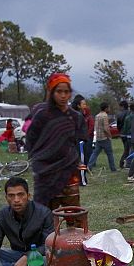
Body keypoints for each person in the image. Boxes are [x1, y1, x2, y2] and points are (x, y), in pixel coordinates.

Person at [26, 72, 86, 208]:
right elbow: (30, 140)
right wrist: (41, 160)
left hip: (68, 172)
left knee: (73, 213)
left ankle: (73, 228)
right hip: (46, 173)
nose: (63, 96)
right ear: (52, 92)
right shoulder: (42, 115)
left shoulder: (75, 117)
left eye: (66, 92)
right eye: (59, 91)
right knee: (44, 215)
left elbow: (76, 141)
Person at [88, 102, 117, 171]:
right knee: (110, 154)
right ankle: (113, 168)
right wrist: (110, 136)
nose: (109, 109)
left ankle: (89, 167)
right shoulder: (105, 116)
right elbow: (106, 128)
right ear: (106, 108)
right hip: (105, 138)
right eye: (108, 108)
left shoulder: (97, 116)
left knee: (95, 153)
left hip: (98, 138)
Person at [116, 100, 131, 168]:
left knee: (126, 149)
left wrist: (120, 131)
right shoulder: (129, 113)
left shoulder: (119, 114)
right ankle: (123, 162)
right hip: (128, 133)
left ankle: (124, 163)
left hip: (122, 133)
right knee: (127, 150)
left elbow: (118, 125)